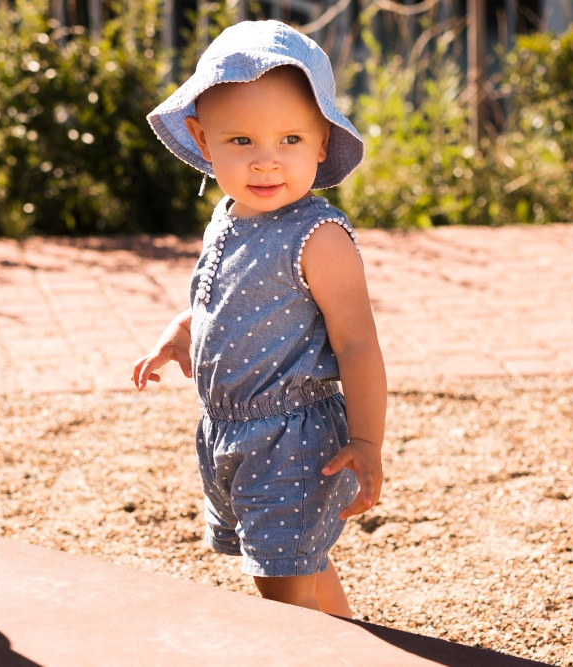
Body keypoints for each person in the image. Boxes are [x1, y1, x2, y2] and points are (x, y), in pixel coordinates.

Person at [132, 20, 386, 618]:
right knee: (303, 561)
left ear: (323, 141)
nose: (267, 163)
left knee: (280, 597)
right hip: (227, 431)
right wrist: (181, 332)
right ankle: (352, 646)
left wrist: (367, 440)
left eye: (291, 140)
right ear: (202, 138)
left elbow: (357, 345)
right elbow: (221, 298)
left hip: (291, 439)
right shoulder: (226, 217)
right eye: (241, 141)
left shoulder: (318, 237)